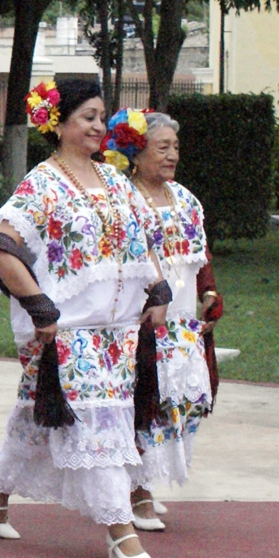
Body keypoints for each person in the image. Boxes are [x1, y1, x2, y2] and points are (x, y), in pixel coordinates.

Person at [0, 78, 170, 558]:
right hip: (70, 335)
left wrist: (158, 288)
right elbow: (3, 247)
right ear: (58, 123)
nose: (99, 126)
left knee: (36, 420)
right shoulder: (43, 183)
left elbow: (143, 240)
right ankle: (119, 530)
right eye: (88, 116)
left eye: (102, 117)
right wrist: (40, 307)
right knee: (98, 426)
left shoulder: (116, 179)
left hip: (119, 334)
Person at [105, 110, 221, 529]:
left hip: (185, 320)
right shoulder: (123, 198)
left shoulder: (186, 199)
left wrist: (209, 294)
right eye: (162, 147)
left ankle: (146, 481)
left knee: (181, 404)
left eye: (175, 147)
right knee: (147, 403)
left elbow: (201, 256)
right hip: (145, 319)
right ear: (137, 152)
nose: (172, 155)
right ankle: (138, 493)